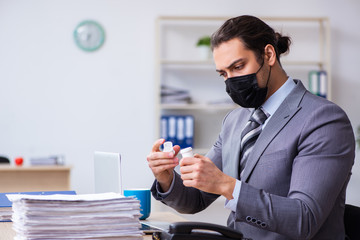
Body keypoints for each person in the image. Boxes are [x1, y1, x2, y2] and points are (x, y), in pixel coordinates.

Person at [147, 15, 355, 239]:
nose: (231, 81)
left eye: (238, 66)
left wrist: (228, 186)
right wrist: (167, 178)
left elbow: (304, 218)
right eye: (224, 74)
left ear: (268, 54)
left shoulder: (324, 119)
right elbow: (195, 199)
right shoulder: (234, 121)